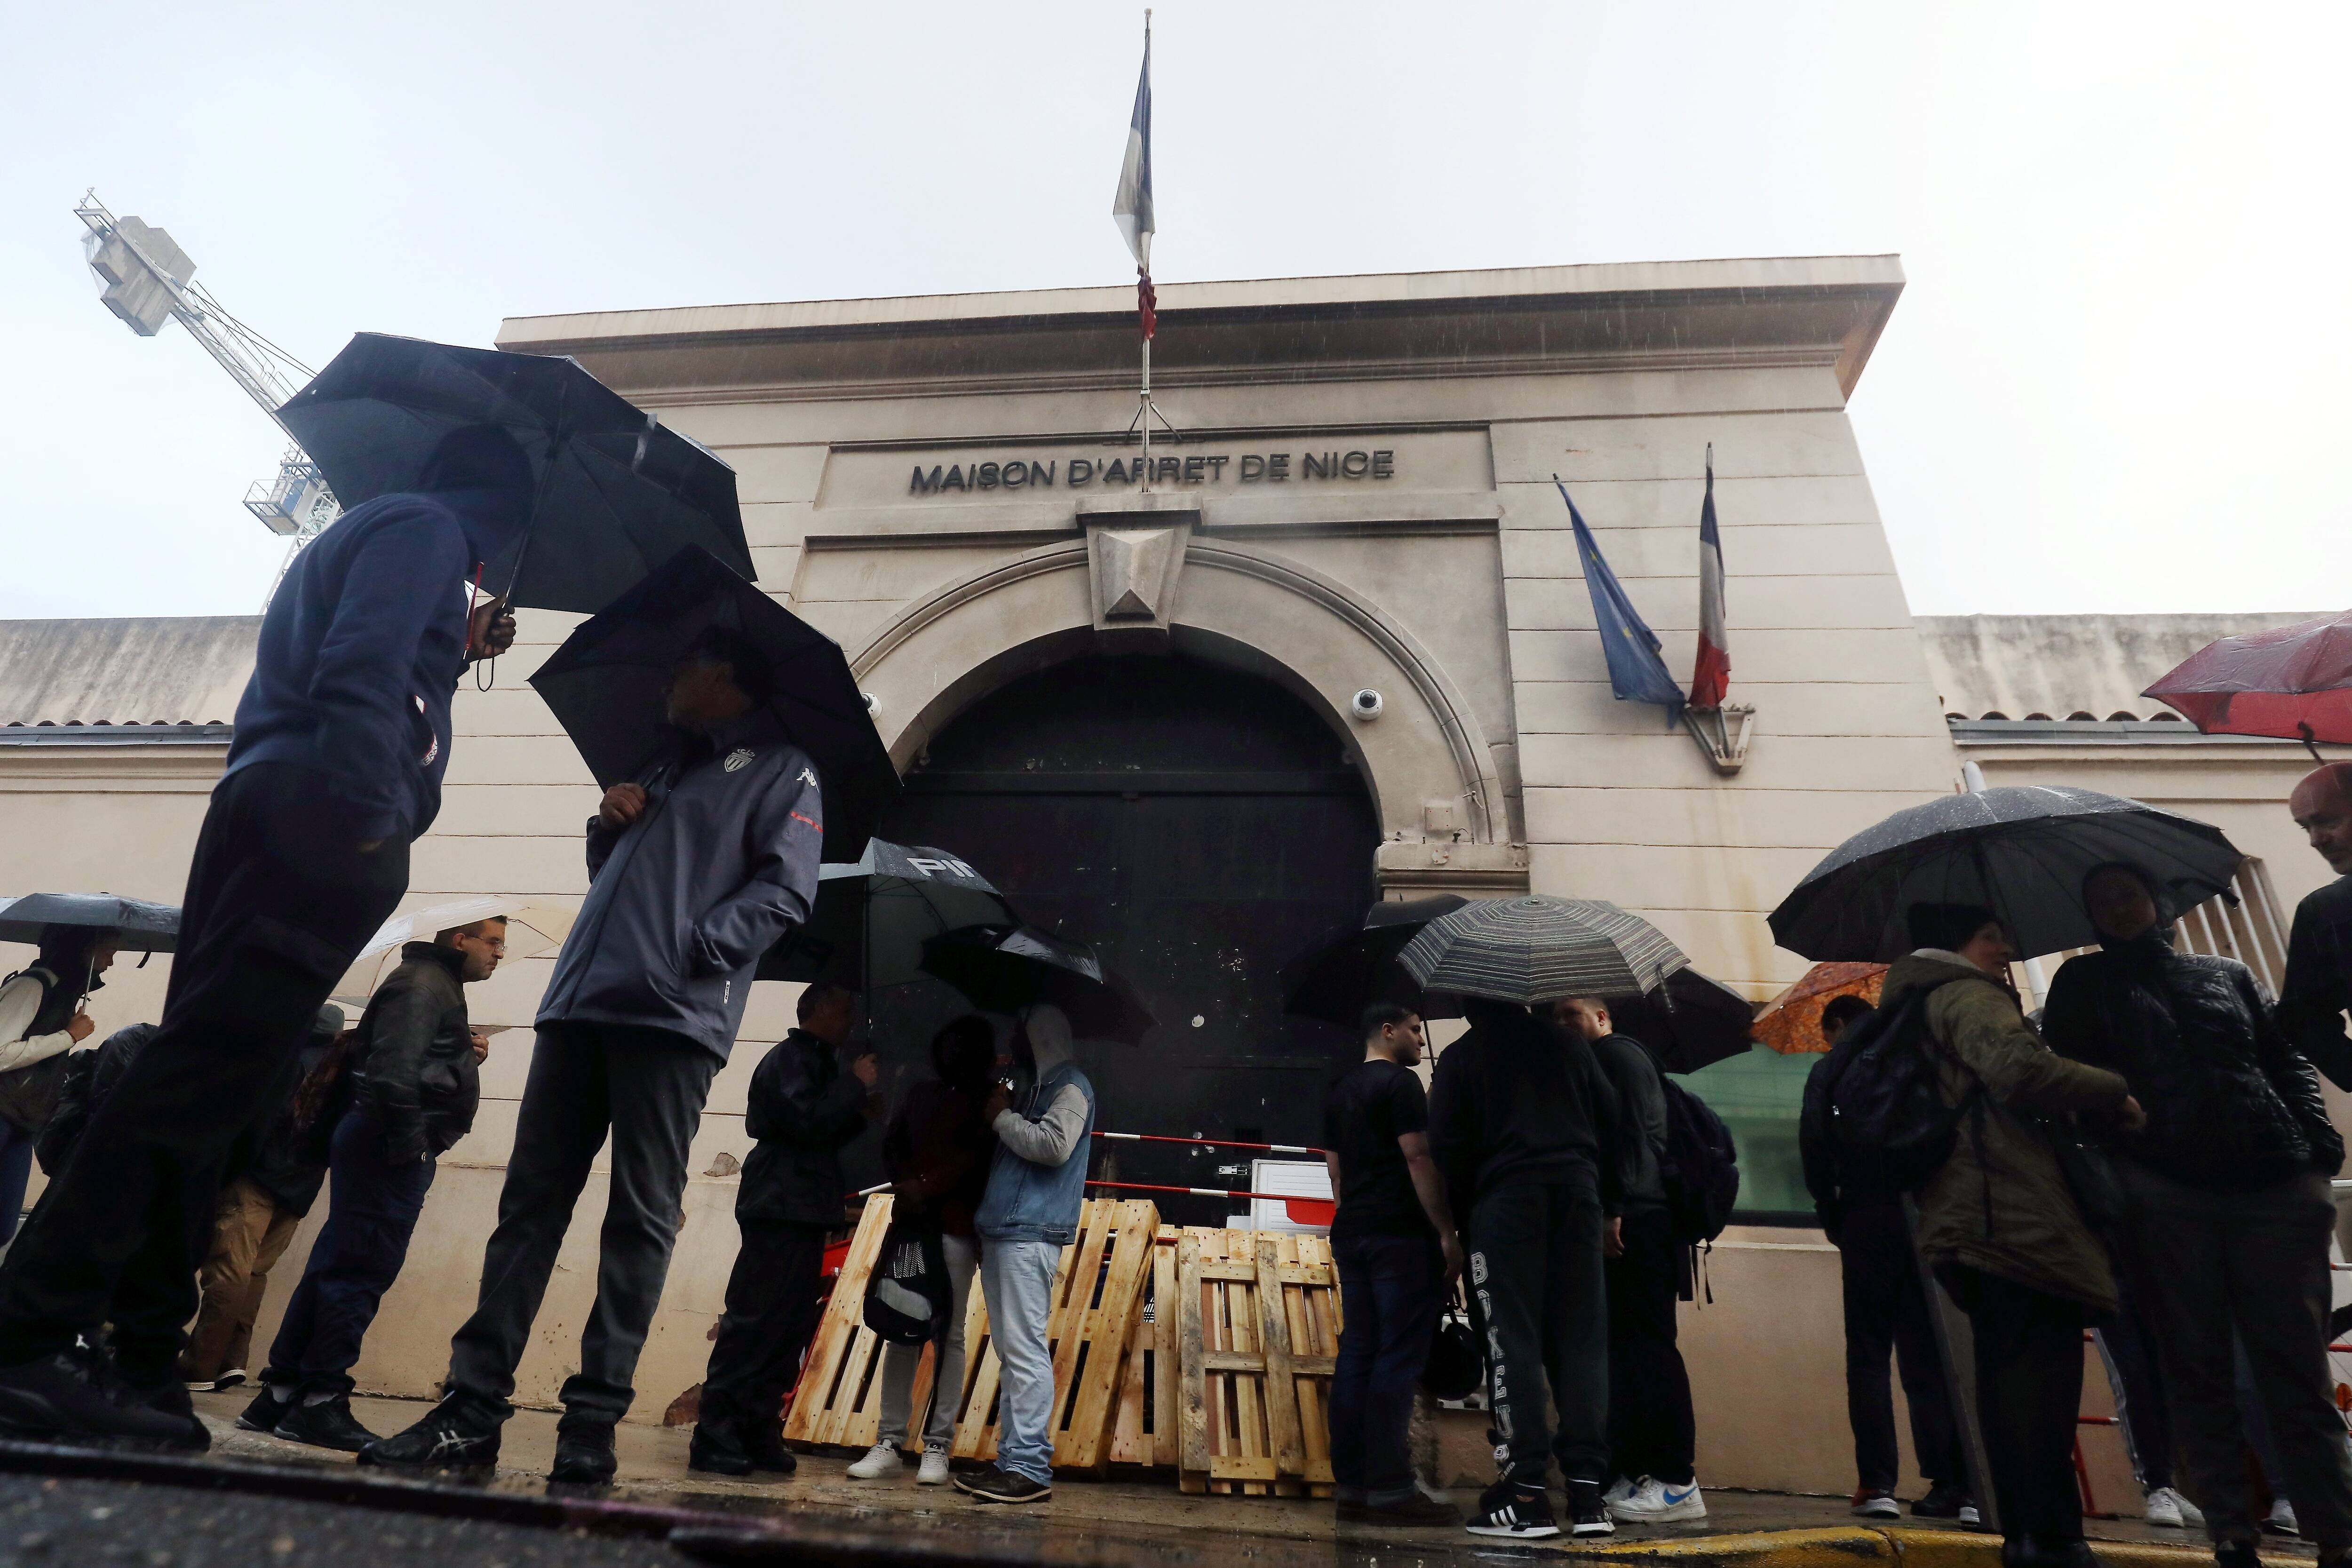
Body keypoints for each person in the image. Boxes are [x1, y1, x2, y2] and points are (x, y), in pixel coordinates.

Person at [0, 426, 524, 1449]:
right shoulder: (426, 528)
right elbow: (362, 667)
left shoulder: (395, 535)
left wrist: (453, 651)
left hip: (287, 797)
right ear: (499, 514)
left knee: (218, 1094)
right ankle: (25, 1333)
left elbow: (378, 661)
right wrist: (374, 806)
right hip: (329, 808)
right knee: (195, 1080)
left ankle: (141, 1355)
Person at [366, 627, 823, 1485]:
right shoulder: (657, 767)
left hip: (673, 1019)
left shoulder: (784, 768)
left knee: (640, 1219)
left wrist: (694, 946)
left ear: (722, 674)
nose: (668, 677)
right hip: (578, 1008)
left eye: (681, 663)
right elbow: (621, 880)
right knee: (528, 1210)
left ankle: (593, 1422)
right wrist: (605, 825)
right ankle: (472, 1413)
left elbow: (785, 891)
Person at [2043, 862, 2352, 1568]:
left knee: (2296, 1369)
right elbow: (2069, 1086)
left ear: (2156, 901)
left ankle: (2337, 1531)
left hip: (2273, 1184)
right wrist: (2123, 1175)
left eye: (2129, 893)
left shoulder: (2226, 972)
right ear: (2090, 917)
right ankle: (2232, 1532)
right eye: (2102, 901)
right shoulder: (2080, 984)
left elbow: (2283, 1058)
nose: (2119, 909)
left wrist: (2317, 1153)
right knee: (2198, 1368)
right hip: (2166, 1193)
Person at [1890, 902, 2141, 1568]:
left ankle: (2030, 1534)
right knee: (2041, 1383)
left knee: (2009, 1382)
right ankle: (2052, 1537)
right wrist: (2115, 1089)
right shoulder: (1965, 995)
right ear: (1957, 943)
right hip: (2012, 1217)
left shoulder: (1914, 1005)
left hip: (1969, 1218)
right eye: (1992, 935)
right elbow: (2019, 1072)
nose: (2005, 947)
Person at [245, 919, 505, 1451]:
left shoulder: (429, 983)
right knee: (361, 1270)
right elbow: (390, 1072)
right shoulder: (423, 985)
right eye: (493, 942)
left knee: (335, 1263)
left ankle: (279, 1395)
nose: (499, 954)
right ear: (460, 940)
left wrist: (461, 1052)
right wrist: (412, 1146)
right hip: (389, 1145)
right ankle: (320, 1400)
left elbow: (411, 1061)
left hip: (376, 1140)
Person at [1429, 995, 1626, 1541]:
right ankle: (1588, 1495)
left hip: (1506, 1203)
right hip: (1578, 1196)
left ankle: (1525, 1495)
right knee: (1582, 1341)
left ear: (1467, 1001)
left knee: (1508, 1339)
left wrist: (1465, 1217)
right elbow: (1612, 1123)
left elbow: (1445, 1146)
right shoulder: (1568, 1045)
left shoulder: (1463, 1056)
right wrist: (1611, 1204)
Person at [691, 981, 879, 1477]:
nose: (849, 1021)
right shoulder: (790, 1059)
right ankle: (716, 1432)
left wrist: (858, 1113)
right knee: (755, 1319)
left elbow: (822, 1129)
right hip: (779, 1202)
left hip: (802, 1204)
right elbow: (803, 1122)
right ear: (815, 1011)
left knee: (788, 1323)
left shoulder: (816, 1061)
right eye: (842, 1009)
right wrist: (853, 1087)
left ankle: (756, 1427)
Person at [1799, 992, 1973, 1525]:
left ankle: (1877, 1483)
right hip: (1925, 1212)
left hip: (1864, 1215)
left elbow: (1813, 1143)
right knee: (1932, 1355)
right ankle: (1958, 1487)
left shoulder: (1831, 1068)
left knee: (1869, 1353)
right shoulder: (1915, 1049)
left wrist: (1832, 1214)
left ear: (1834, 1023)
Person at [1558, 995, 1705, 1527]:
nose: (1562, 1026)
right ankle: (1641, 1472)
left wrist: (1614, 1211)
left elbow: (1634, 1141)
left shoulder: (1616, 1055)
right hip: (1633, 1217)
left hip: (1638, 1220)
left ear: (1601, 1017)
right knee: (1627, 1351)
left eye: (1570, 1014)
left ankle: (1675, 1481)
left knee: (1647, 1348)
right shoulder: (1604, 1060)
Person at [1320, 1003, 1461, 1529]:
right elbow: (1417, 1158)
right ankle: (1390, 1487)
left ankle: (1353, 1485)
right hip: (1398, 1235)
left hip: (1352, 1231)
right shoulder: (1400, 1086)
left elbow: (1335, 1176)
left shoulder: (1338, 1091)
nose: (1420, 1042)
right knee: (1397, 1357)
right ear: (1387, 1031)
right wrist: (1445, 1231)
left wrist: (1355, 1216)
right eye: (1414, 1030)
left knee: (1357, 1351)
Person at [954, 1003, 1097, 1506]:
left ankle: (1028, 1466)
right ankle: (1014, 1463)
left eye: (1020, 1035)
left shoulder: (1070, 1086)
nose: (1011, 1045)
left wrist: (1001, 1118)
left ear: (1039, 1038)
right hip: (1008, 1230)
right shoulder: (1037, 1087)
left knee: (1024, 1352)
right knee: (1015, 1353)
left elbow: (1055, 1145)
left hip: (1026, 1232)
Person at [846, 1014, 997, 1487]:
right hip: (913, 1227)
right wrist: (908, 1185)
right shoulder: (922, 1095)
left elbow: (976, 1159)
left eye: (961, 1046)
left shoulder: (988, 1102)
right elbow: (893, 1145)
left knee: (947, 1335)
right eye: (947, 1043)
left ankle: (937, 1446)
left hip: (951, 1229)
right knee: (901, 1329)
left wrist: (923, 1186)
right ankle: (890, 1441)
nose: (951, 1053)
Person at [176, 1004, 353, 1393]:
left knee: (228, 1270)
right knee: (255, 1273)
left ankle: (199, 1365)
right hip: (300, 1188)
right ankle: (232, 1359)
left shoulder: (286, 1063)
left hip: (257, 1179)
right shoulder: (338, 1070)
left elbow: (258, 1122)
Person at [0, 926, 118, 1243]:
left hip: (24, 1121)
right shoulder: (31, 985)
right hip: (4, 1110)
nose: (110, 963)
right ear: (84, 947)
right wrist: (68, 1036)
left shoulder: (63, 993)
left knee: (3, 1226)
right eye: (108, 951)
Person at [2280, 762, 2352, 1089]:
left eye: (2328, 821)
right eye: (2305, 827)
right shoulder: (2325, 912)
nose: (2315, 840)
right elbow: (2303, 1017)